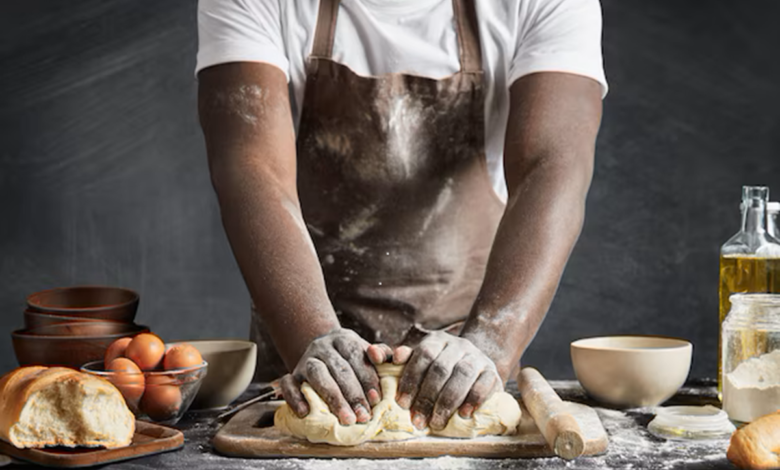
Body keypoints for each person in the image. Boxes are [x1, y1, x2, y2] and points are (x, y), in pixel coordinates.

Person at [196, 0, 606, 431]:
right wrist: (313, 337)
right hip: (305, 361)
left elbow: (552, 167)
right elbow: (251, 171)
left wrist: (490, 341)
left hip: (461, 365)